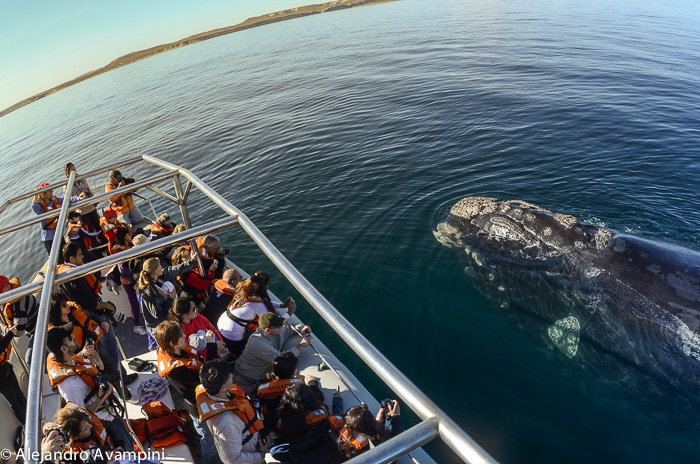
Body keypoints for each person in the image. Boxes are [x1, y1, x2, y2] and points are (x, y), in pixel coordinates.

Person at [58, 242, 130, 380]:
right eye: (79, 256)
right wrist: (108, 306)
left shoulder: (62, 274)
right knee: (110, 349)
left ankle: (115, 377)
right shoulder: (77, 276)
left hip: (83, 318)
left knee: (102, 351)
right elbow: (90, 303)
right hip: (95, 317)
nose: (82, 259)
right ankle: (121, 378)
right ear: (71, 259)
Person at [154, 321, 219, 464]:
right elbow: (209, 379)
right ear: (172, 343)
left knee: (201, 433)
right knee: (208, 438)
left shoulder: (173, 351)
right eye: (181, 336)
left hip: (195, 401)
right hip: (199, 406)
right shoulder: (177, 370)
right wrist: (211, 346)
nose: (185, 336)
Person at [45, 323, 130, 426]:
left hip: (111, 413)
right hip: (104, 423)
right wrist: (103, 396)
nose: (74, 336)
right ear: (63, 349)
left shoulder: (71, 361)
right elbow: (81, 417)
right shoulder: (70, 386)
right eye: (70, 338)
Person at [196, 360, 266, 464]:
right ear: (223, 388)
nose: (232, 376)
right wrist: (260, 456)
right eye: (229, 376)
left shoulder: (211, 392)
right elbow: (232, 459)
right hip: (250, 454)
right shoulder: (226, 421)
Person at [217, 271, 296, 357]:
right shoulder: (257, 305)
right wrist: (289, 312)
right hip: (231, 336)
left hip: (221, 325)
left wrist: (282, 305)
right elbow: (273, 323)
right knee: (245, 355)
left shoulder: (244, 291)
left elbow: (262, 300)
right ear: (264, 287)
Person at [233, 312, 311, 395]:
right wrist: (300, 346)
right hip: (244, 380)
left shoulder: (277, 332)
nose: (281, 327)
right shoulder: (256, 342)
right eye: (278, 326)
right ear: (267, 330)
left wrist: (302, 329)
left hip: (260, 380)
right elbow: (279, 359)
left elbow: (289, 328)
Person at [276, 381, 345, 463]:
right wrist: (337, 401)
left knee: (275, 451)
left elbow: (282, 435)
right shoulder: (321, 414)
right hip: (321, 452)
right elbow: (334, 421)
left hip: (299, 455)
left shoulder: (285, 420)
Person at [136, 256, 195, 344]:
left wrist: (191, 261)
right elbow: (157, 314)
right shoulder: (148, 293)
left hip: (168, 321)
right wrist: (171, 299)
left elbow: (176, 269)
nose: (161, 267)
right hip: (159, 328)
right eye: (159, 266)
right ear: (155, 271)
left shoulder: (160, 277)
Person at [53, 402, 128, 461]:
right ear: (75, 437)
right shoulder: (70, 456)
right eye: (85, 428)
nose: (90, 426)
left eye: (88, 423)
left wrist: (120, 445)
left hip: (114, 451)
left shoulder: (89, 422)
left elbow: (110, 426)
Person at [255, 353, 302, 445]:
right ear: (293, 372)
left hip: (269, 431)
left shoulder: (263, 388)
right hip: (288, 430)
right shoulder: (298, 388)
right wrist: (312, 384)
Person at [336, 401, 404, 460]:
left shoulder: (341, 441)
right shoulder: (376, 443)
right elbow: (397, 444)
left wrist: (378, 423)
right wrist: (396, 416)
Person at [1, 275, 39, 365]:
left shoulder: (18, 308)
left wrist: (5, 329)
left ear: (7, 289)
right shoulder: (19, 292)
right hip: (38, 318)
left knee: (29, 360)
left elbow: (18, 332)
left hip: (38, 329)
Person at [31, 182, 76, 255]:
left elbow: (66, 200)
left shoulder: (54, 200)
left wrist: (78, 198)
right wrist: (35, 195)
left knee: (66, 255)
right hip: (49, 238)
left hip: (58, 233)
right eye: (50, 190)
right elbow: (34, 207)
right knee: (57, 259)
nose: (52, 191)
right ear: (43, 194)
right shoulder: (40, 206)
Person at [63, 162, 103, 239]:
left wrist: (90, 193)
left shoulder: (81, 178)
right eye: (72, 169)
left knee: (98, 225)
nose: (74, 170)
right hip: (82, 211)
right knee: (89, 229)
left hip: (91, 206)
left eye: (74, 168)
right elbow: (68, 199)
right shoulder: (66, 185)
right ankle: (94, 246)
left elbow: (87, 188)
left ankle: (103, 241)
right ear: (67, 172)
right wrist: (79, 196)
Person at [172, 246, 217, 310]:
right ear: (180, 260)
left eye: (188, 254)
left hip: (197, 295)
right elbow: (205, 285)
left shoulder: (189, 268)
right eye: (185, 257)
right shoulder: (188, 275)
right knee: (206, 312)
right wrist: (211, 271)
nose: (188, 257)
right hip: (193, 301)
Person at [0, 320, 26, 423]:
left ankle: (34, 417)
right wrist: (10, 334)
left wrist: (6, 331)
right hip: (2, 380)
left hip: (6, 369)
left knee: (20, 395)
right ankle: (29, 424)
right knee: (14, 403)